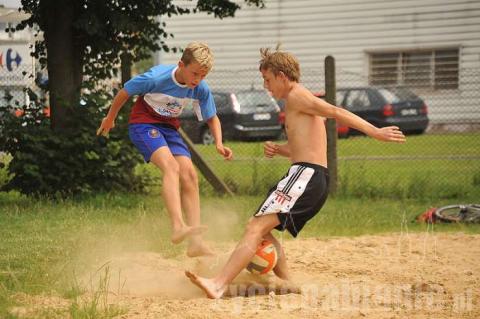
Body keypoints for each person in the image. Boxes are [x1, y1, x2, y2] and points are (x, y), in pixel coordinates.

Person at [185, 48, 406, 298]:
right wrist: (280, 149)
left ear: (281, 76)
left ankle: (218, 284)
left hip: (305, 176)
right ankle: (288, 282)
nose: (266, 86)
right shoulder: (296, 101)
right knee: (261, 228)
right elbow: (305, 148)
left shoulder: (297, 96)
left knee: (255, 228)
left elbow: (336, 112)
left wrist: (375, 132)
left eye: (267, 80)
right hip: (307, 175)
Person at [97, 42, 233, 257]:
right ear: (181, 64)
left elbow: (212, 118)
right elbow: (124, 92)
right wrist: (110, 118)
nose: (198, 79)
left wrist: (218, 143)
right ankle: (178, 226)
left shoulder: (199, 88)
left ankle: (195, 242)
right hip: (143, 124)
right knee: (171, 167)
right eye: (195, 73)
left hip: (169, 127)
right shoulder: (155, 78)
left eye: (203, 76)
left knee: (189, 174)